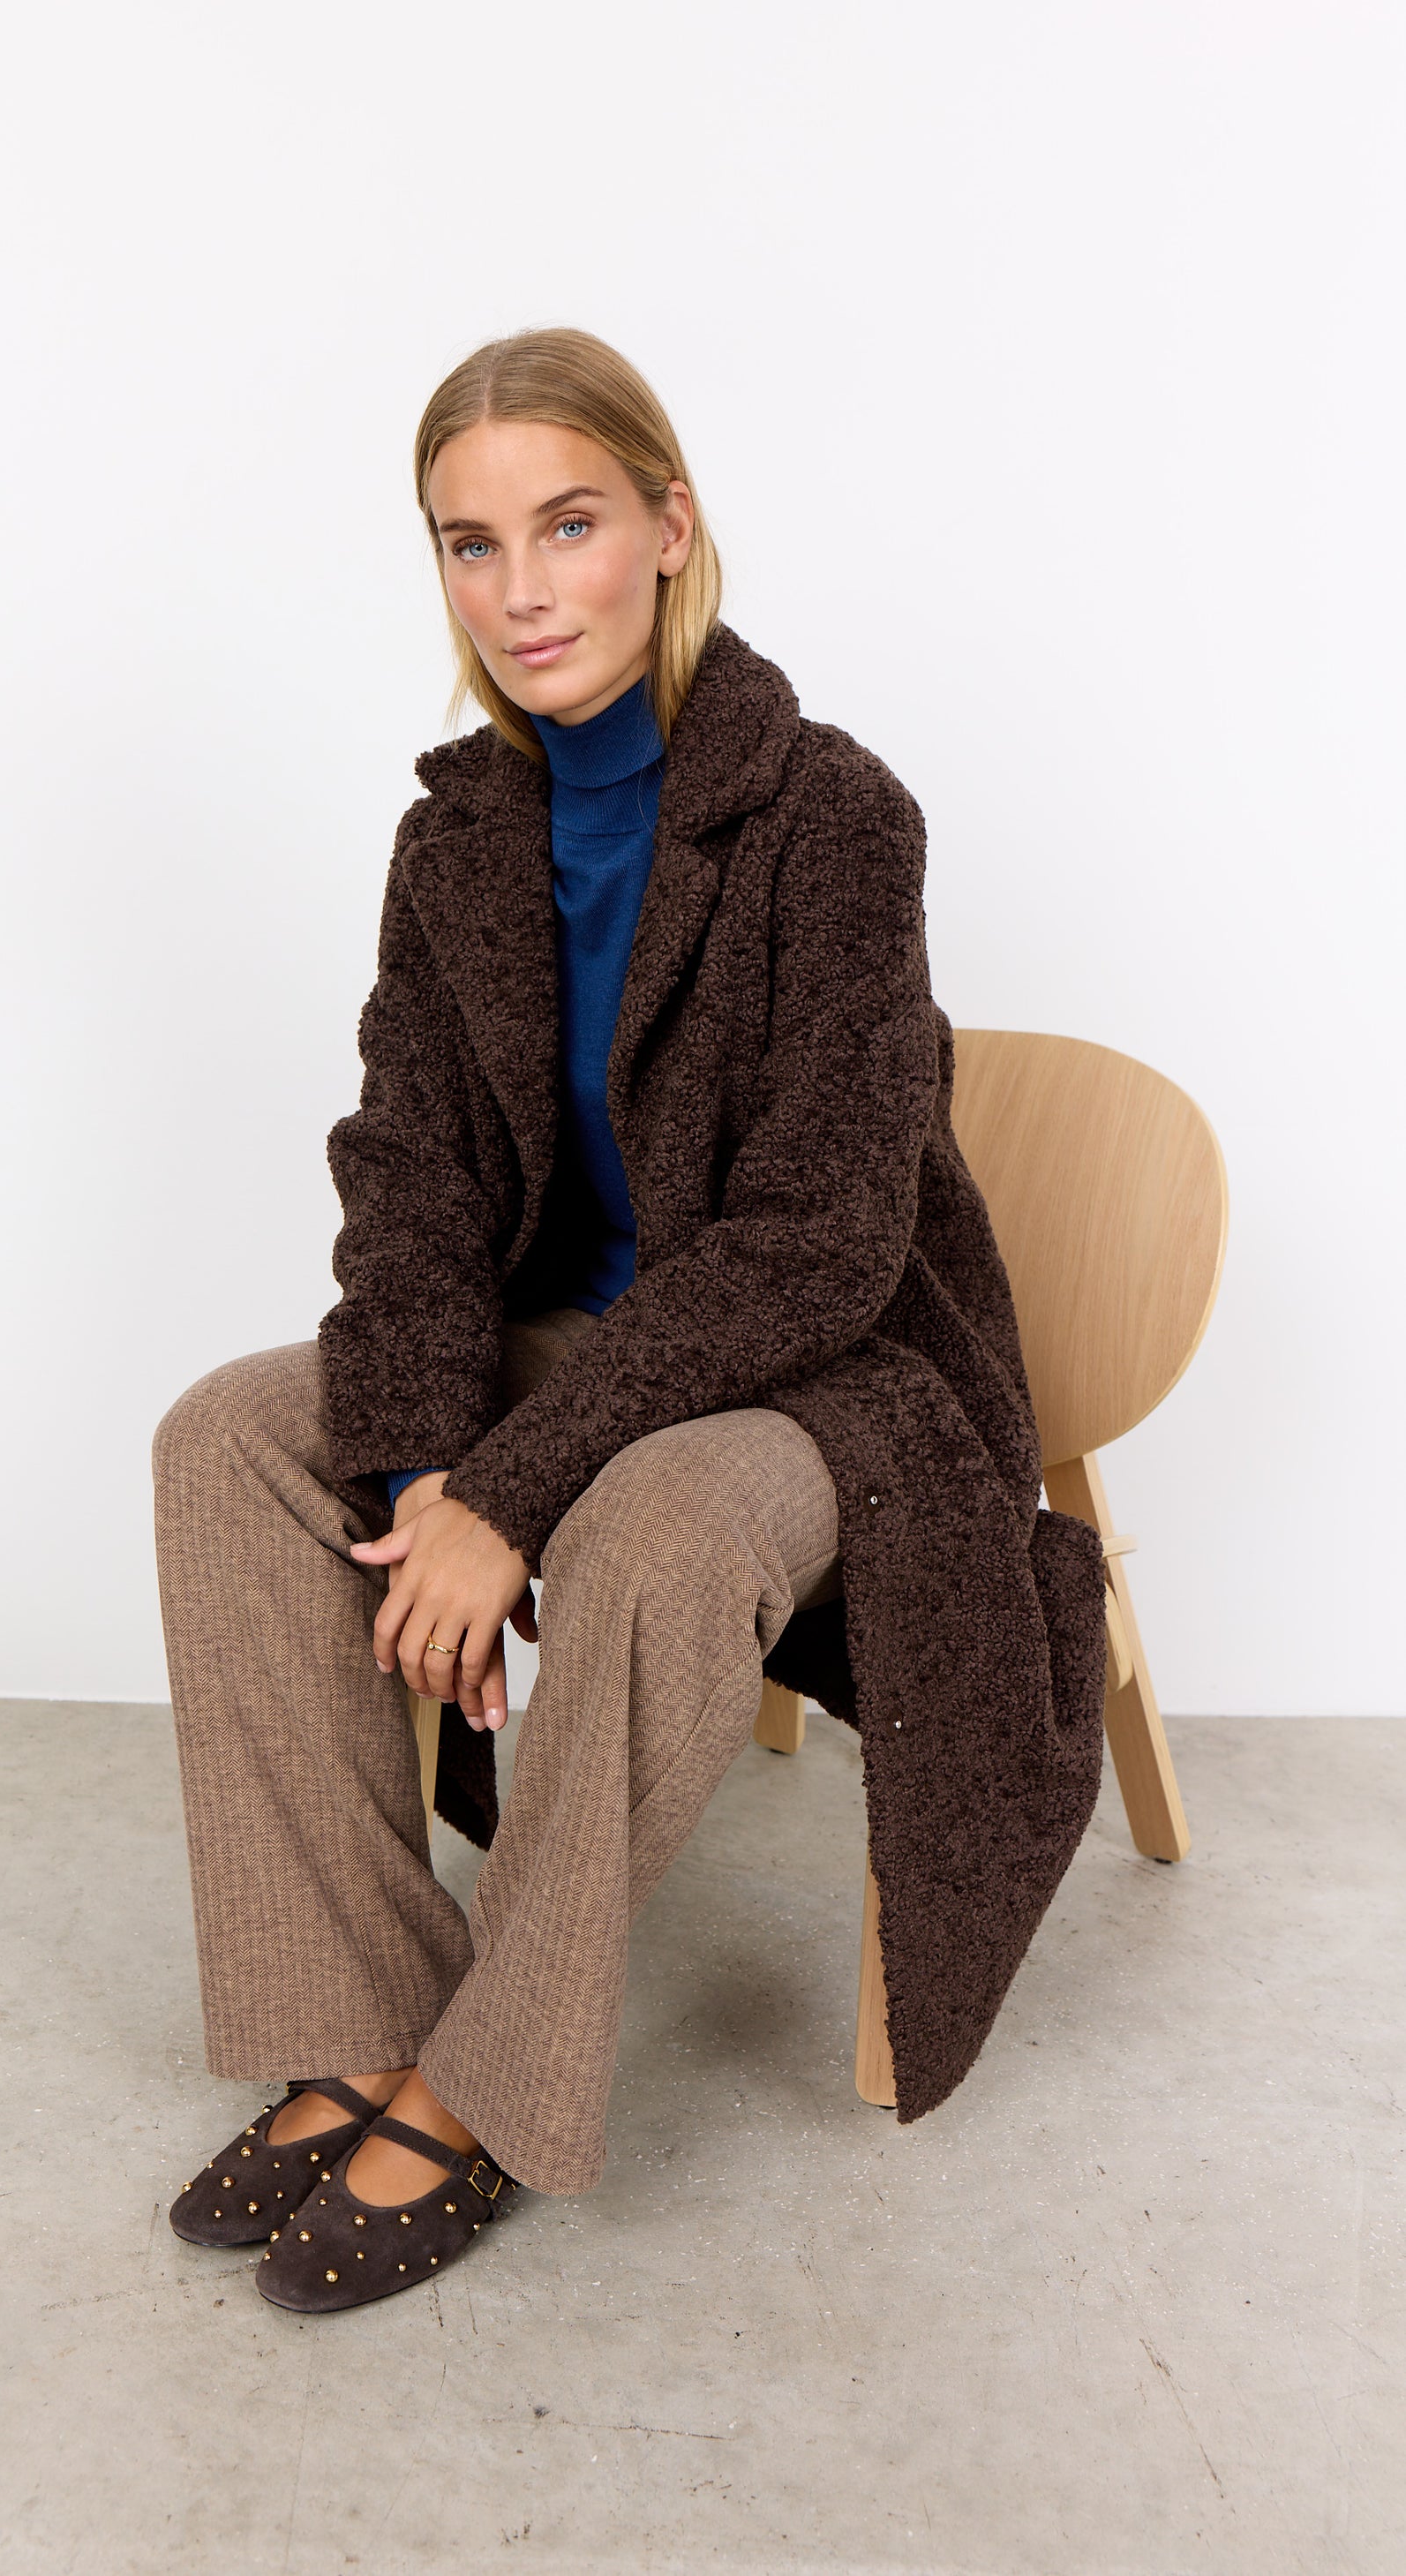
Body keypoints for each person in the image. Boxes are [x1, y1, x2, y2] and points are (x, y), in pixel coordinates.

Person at [151, 327, 1107, 2318]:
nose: (517, 590)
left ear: (669, 530)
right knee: (224, 1432)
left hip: (825, 1379)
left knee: (664, 1525)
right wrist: (429, 1470)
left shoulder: (833, 816)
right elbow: (409, 1180)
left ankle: (491, 2083)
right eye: (467, 543)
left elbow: (817, 1244)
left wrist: (514, 1485)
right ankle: (358, 2019)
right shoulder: (455, 841)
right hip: (570, 1356)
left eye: (565, 525)